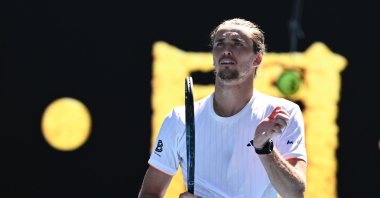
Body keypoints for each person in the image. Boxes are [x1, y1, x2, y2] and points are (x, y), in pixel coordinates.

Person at [138, 18, 307, 198]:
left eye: (237, 43)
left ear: (257, 58)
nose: (226, 50)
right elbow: (149, 193)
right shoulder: (179, 118)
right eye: (219, 43)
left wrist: (264, 148)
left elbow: (295, 193)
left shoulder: (284, 112)